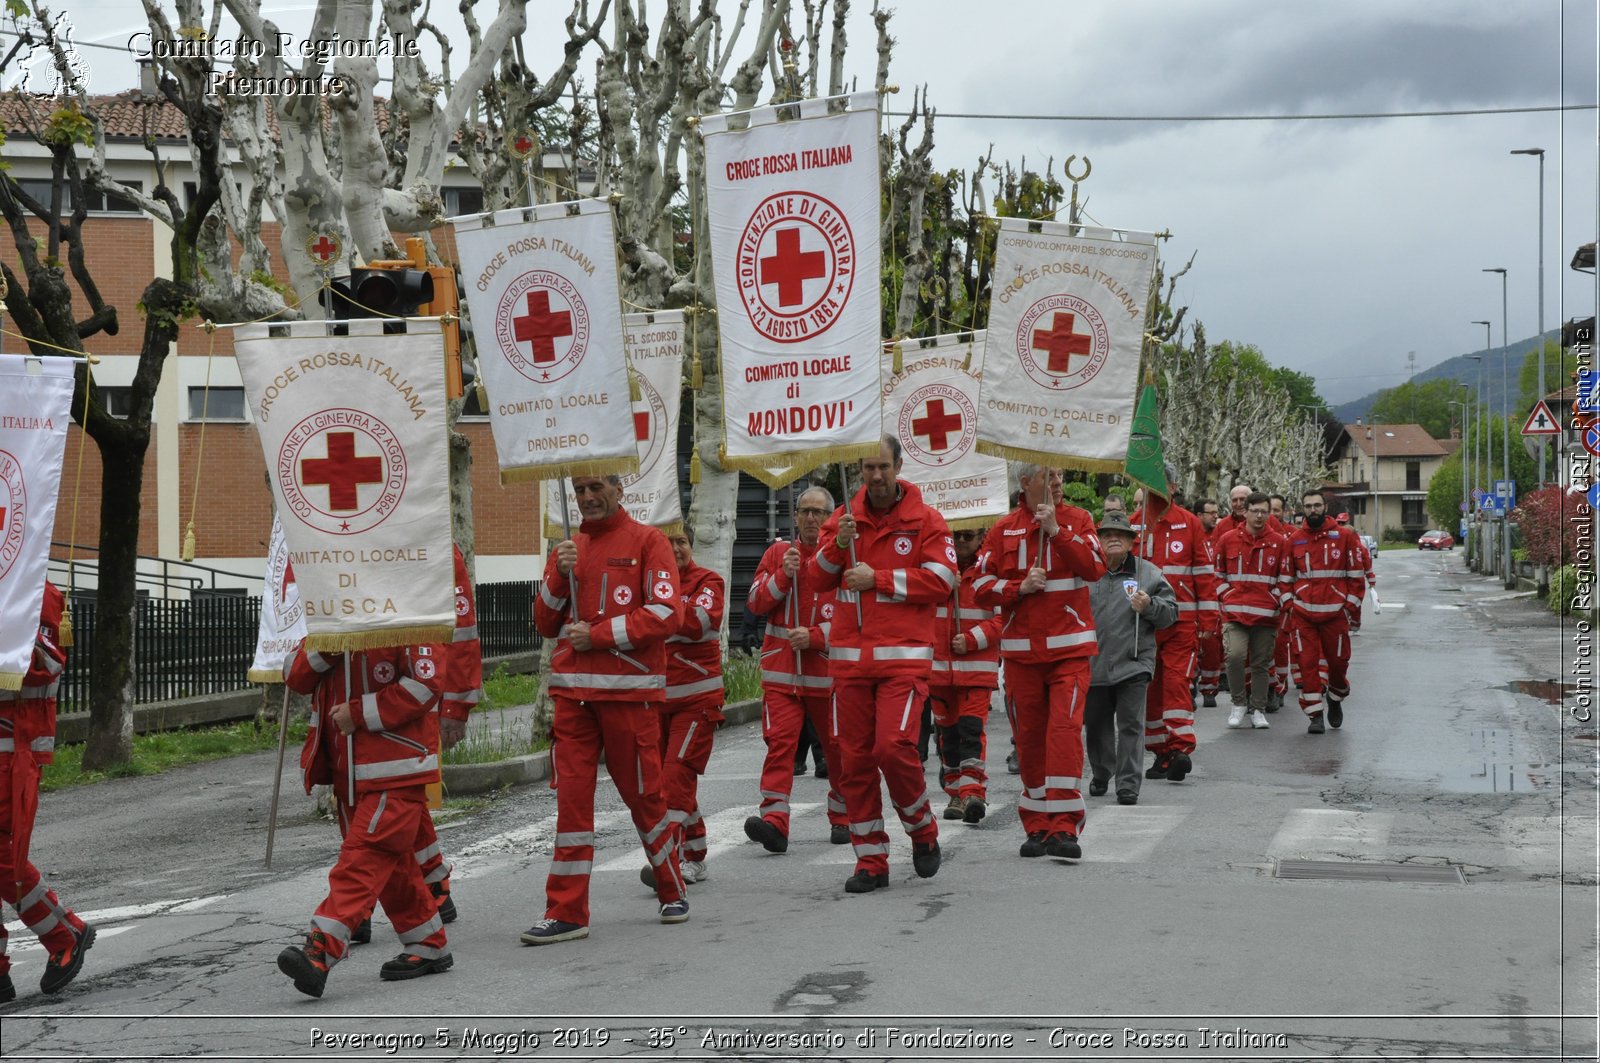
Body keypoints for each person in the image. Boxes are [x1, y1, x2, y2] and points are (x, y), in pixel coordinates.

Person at [524, 474, 687, 943]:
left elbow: (665, 613)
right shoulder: (569, 548)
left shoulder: (649, 541)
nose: (588, 497)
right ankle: (567, 911)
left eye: (596, 486)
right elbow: (544, 621)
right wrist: (559, 572)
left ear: (619, 489)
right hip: (572, 701)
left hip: (628, 699)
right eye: (580, 490)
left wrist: (596, 635)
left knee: (645, 798)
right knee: (571, 806)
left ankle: (670, 884)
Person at [807, 438, 952, 892]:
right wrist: (837, 547)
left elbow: (943, 580)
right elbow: (815, 578)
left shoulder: (926, 520)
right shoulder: (842, 521)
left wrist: (880, 579)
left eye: (883, 466)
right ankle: (870, 861)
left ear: (899, 465)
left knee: (893, 749)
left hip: (902, 663)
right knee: (854, 764)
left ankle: (922, 829)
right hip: (849, 667)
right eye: (868, 467)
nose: (875, 476)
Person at [277, 636, 452, 997]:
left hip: (396, 767)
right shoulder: (332, 614)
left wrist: (359, 713)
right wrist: (326, 644)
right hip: (349, 771)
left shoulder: (407, 608)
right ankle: (427, 942)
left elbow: (426, 683)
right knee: (394, 863)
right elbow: (295, 675)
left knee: (363, 859)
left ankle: (320, 950)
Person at [973, 464, 1106, 861]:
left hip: (1069, 653)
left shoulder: (1079, 519)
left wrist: (1057, 533)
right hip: (1021, 657)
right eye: (1048, 476)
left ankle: (1065, 826)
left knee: (1063, 735)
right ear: (1025, 482)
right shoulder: (1003, 528)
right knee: (1029, 741)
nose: (1057, 483)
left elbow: (1095, 568)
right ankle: (1037, 826)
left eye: (1060, 476)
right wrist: (1017, 588)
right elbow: (979, 586)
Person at [0, 581, 94, 1003]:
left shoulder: (33, 589)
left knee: (3, 856)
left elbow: (41, 666)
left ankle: (65, 932)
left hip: (10, 751)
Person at [744, 485, 849, 851]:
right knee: (780, 746)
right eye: (804, 511)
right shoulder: (778, 553)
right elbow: (755, 603)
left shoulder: (841, 556)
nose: (810, 518)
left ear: (830, 517)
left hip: (827, 673)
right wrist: (782, 576)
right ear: (795, 516)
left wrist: (818, 637)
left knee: (836, 748)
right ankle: (775, 822)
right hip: (781, 674)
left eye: (818, 512)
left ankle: (842, 814)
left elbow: (858, 620)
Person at [641, 529, 725, 888]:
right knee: (663, 781)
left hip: (697, 702)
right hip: (654, 700)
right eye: (668, 542)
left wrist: (659, 606)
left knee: (674, 781)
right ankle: (695, 855)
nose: (676, 548)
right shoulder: (643, 581)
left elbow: (699, 622)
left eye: (682, 542)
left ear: (691, 546)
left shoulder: (709, 581)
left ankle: (669, 863)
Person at [1085, 514, 1177, 806]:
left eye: (1120, 535)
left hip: (1134, 662)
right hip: (1093, 663)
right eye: (1107, 534)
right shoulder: (1086, 571)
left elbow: (1171, 614)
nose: (1114, 539)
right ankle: (1102, 772)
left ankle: (1128, 784)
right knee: (1096, 725)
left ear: (1130, 541)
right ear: (1098, 540)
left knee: (1130, 725)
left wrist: (1150, 605)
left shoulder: (1148, 574)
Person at [1131, 481, 1217, 784]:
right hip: (1144, 624)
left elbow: (1204, 574)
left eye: (1160, 484)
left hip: (1181, 621)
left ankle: (1181, 747)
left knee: (1176, 681)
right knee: (1149, 688)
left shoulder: (1189, 523)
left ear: (1173, 487)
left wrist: (1208, 619)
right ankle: (1162, 752)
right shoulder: (1133, 525)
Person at [928, 524, 1003, 824]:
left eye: (968, 535)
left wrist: (972, 640)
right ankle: (956, 793)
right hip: (938, 671)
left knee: (971, 732)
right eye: (956, 535)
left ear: (981, 537)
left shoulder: (989, 571)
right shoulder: (935, 570)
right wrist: (944, 583)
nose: (961, 541)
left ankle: (973, 791)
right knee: (948, 735)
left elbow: (1002, 619)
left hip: (975, 670)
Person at [1285, 489, 1366, 734]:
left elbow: (1356, 576)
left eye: (1317, 505)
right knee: (1307, 664)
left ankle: (1336, 696)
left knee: (1339, 664)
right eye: (1308, 506)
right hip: (1304, 616)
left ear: (1325, 507)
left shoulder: (1344, 537)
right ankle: (1314, 714)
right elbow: (1286, 577)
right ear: (1303, 509)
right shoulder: (1295, 539)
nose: (1313, 510)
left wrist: (1348, 607)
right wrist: (1290, 604)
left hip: (1335, 615)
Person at [1213, 492, 1292, 730]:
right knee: (1235, 656)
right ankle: (1238, 704)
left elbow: (1285, 578)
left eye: (1264, 511)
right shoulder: (1227, 539)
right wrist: (1227, 596)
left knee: (1261, 664)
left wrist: (1274, 600)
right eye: (1255, 511)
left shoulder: (1279, 542)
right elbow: (1217, 574)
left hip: (1266, 616)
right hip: (1234, 615)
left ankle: (1258, 709)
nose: (1259, 516)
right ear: (1245, 512)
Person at [1194, 500, 1225, 707]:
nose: (1215, 516)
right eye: (1210, 513)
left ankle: (1209, 688)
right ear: (1198, 515)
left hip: (1214, 599)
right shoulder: (1191, 536)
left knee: (1212, 645)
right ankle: (1190, 686)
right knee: (1192, 645)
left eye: (1216, 512)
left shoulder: (1219, 537)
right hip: (1192, 598)